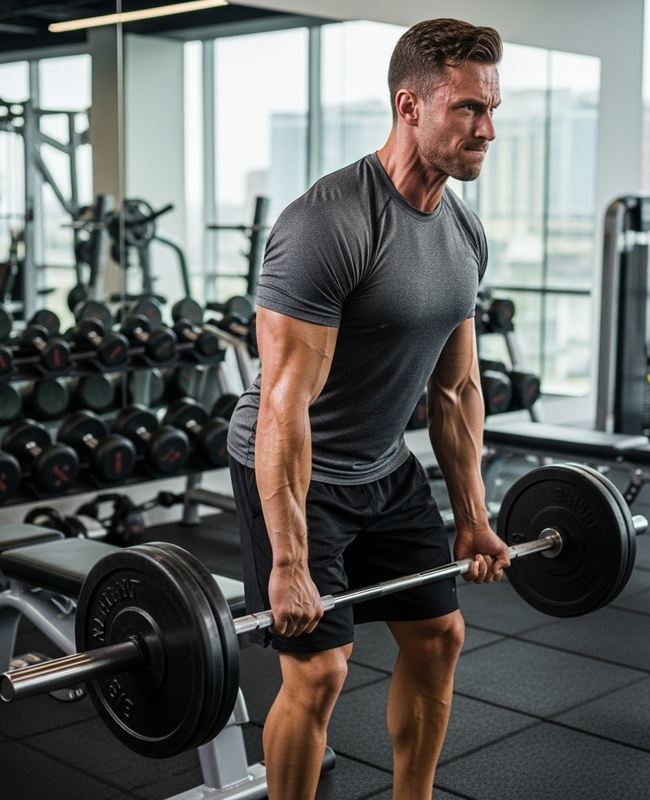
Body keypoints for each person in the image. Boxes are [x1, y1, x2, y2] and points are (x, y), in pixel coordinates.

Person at [226, 17, 509, 800]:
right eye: (467, 109)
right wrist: (287, 563)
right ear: (409, 105)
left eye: (491, 110)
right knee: (318, 671)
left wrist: (473, 515)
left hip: (384, 468)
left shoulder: (463, 233)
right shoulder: (330, 223)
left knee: (439, 636)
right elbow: (286, 404)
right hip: (295, 464)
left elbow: (455, 391)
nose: (487, 129)